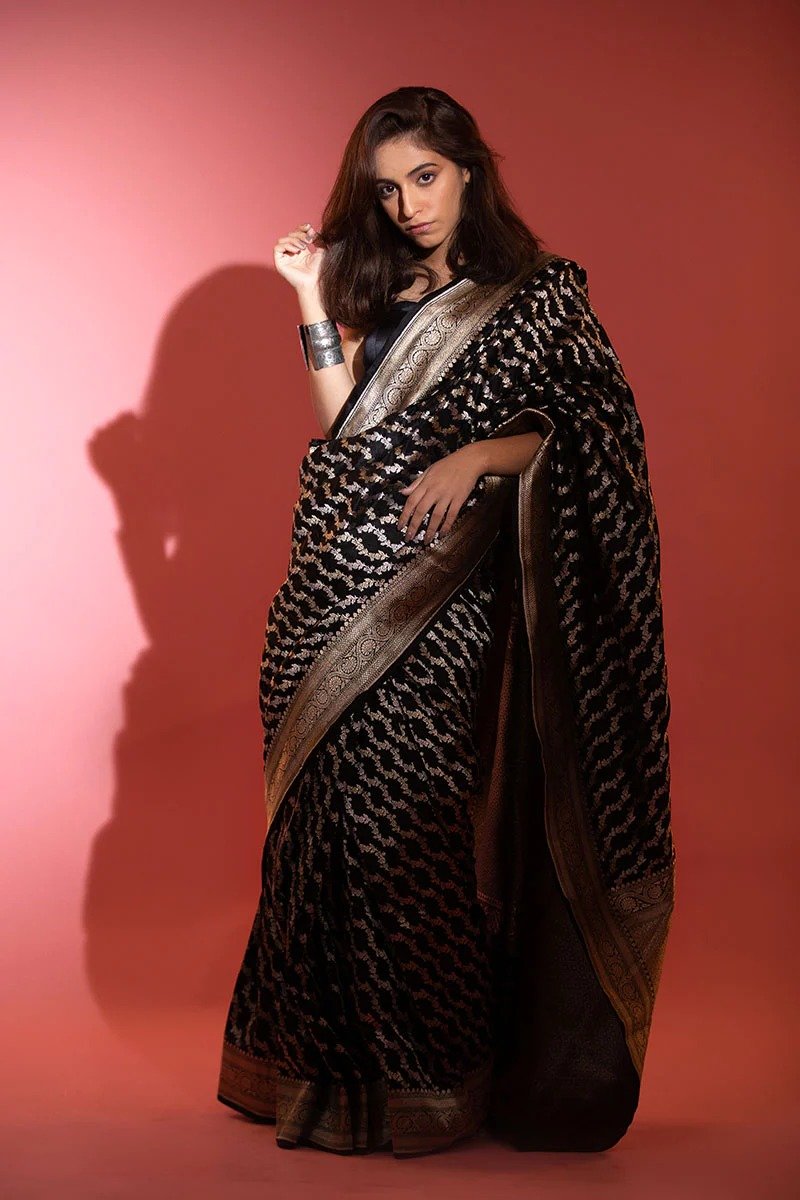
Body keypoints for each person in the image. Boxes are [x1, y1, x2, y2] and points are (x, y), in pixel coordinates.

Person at [216, 85, 676, 1159]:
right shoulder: (387, 289)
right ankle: (332, 1086)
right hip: (335, 586)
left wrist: (477, 454)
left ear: (469, 169)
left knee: (407, 823)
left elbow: (592, 428)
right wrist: (308, 296)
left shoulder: (537, 296)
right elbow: (350, 436)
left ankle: (434, 1081)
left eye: (425, 177)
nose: (409, 205)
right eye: (387, 189)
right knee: (325, 828)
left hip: (448, 595)